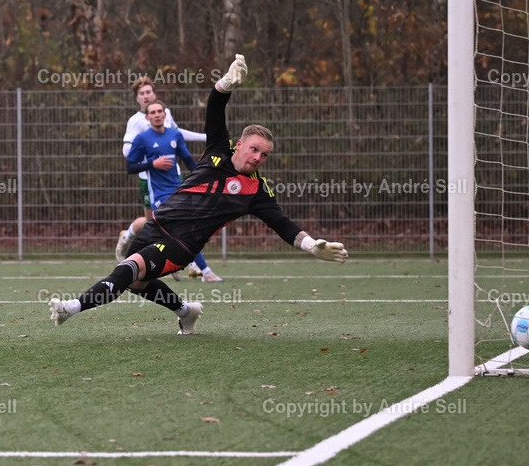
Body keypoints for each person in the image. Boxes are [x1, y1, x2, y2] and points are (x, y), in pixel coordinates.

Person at [49, 54, 349, 334]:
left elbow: (283, 225)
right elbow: (216, 107)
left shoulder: (257, 190)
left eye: (264, 155)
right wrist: (225, 84)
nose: (258, 157)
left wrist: (312, 246)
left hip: (182, 243)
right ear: (240, 144)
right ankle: (185, 311)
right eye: (254, 149)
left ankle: (70, 308)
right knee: (137, 282)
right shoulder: (219, 147)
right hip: (159, 224)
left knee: (130, 268)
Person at [126, 99, 222, 282]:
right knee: (181, 230)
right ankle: (205, 271)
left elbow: (187, 159)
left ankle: (151, 262)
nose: (156, 115)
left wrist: (203, 177)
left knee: (177, 232)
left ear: (165, 114)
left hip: (177, 189)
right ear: (147, 117)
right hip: (159, 194)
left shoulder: (174, 135)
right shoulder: (142, 138)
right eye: (152, 112)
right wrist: (152, 164)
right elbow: (130, 167)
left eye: (159, 111)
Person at [115, 76, 207, 265]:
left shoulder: (164, 113)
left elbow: (176, 135)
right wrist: (152, 163)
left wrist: (204, 137)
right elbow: (127, 152)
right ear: (137, 98)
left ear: (155, 94)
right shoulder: (136, 122)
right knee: (154, 222)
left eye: (148, 92)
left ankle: (190, 264)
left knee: (173, 220)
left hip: (173, 175)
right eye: (141, 93)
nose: (146, 96)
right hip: (148, 178)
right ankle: (130, 239)